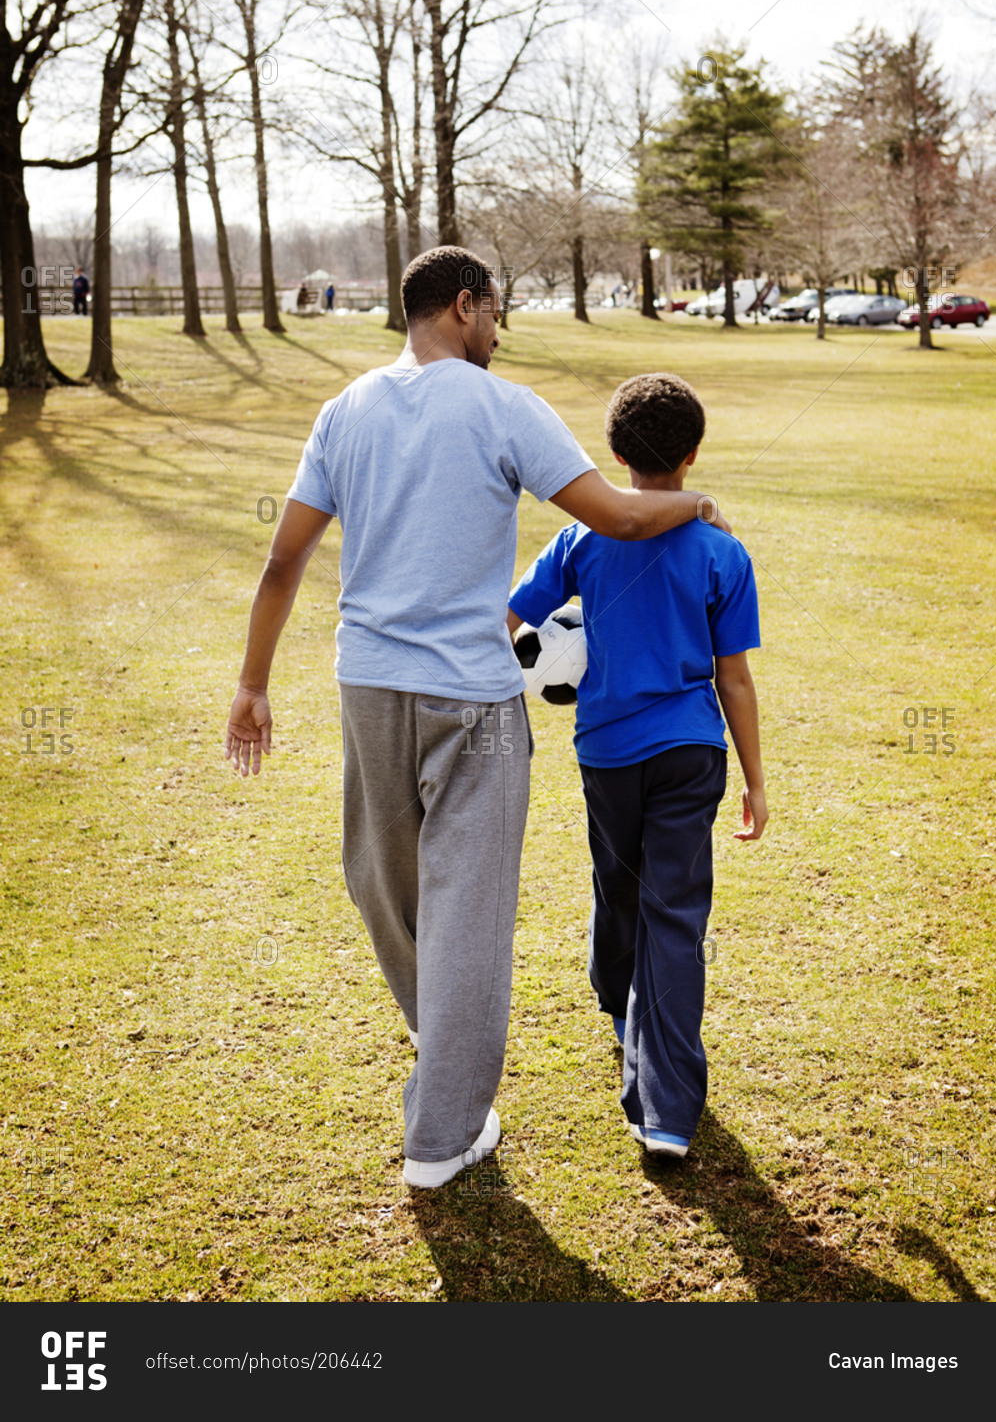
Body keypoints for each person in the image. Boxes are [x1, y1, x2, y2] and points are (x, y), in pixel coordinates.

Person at [224, 250, 731, 1189]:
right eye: (495, 311)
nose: (500, 330)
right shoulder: (504, 407)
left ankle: (446, 1092)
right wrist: (696, 501)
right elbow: (619, 518)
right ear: (464, 305)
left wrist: (253, 682)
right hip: (474, 703)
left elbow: (282, 562)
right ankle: (444, 1134)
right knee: (464, 908)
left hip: (368, 688)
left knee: (388, 885)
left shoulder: (344, 410)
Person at [507, 372, 766, 1161]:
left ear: (616, 454)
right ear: (693, 454)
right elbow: (735, 679)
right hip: (694, 751)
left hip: (612, 758)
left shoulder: (581, 540)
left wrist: (550, 648)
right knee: (669, 918)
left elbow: (511, 617)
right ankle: (651, 1077)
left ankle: (650, 1079)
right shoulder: (724, 551)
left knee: (633, 900)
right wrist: (757, 778)